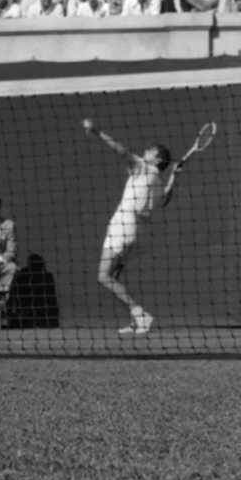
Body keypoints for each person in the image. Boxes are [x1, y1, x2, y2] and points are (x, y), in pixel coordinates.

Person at [83, 118, 184, 335]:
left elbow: (121, 150)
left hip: (122, 226)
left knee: (103, 277)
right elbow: (164, 200)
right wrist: (173, 176)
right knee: (113, 278)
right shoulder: (157, 180)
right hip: (137, 234)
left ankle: (140, 314)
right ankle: (136, 319)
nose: (145, 151)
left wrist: (97, 131)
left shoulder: (144, 167)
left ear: (156, 158)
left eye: (150, 150)